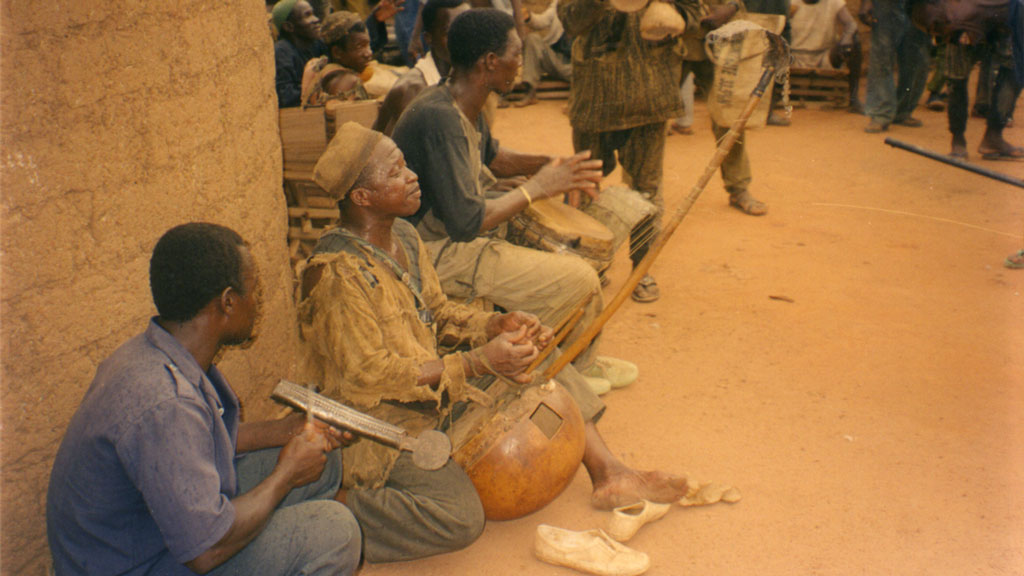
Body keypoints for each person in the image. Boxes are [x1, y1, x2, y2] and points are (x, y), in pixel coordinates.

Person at [298, 121, 692, 562]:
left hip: (430, 393)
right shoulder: (336, 274)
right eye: (395, 172)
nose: (411, 176)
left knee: (535, 348)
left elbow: (439, 314)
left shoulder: (404, 236)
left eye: (406, 165)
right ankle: (334, 504)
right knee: (461, 519)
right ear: (361, 197)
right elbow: (366, 380)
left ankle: (609, 472)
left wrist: (495, 326)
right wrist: (476, 364)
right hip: (376, 426)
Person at [46, 223, 361, 576]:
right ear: (227, 302)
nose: (257, 302)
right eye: (253, 291)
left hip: (153, 531)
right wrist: (286, 474)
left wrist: (285, 431)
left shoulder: (158, 351)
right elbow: (206, 550)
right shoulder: (165, 402)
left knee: (323, 464)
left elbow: (198, 439)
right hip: (141, 563)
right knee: (335, 531)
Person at [392, 9, 635, 394]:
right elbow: (467, 222)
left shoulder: (462, 101)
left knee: (574, 259)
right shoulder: (441, 117)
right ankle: (553, 366)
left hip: (452, 237)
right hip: (432, 251)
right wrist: (537, 187)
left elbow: (495, 157)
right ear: (490, 62)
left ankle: (578, 359)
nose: (521, 64)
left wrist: (551, 165)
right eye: (517, 55)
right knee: (582, 278)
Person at [560, 0, 731, 303]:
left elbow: (693, 16)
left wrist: (671, 16)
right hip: (595, 95)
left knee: (647, 190)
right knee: (585, 184)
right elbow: (570, 20)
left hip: (650, 95)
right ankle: (588, 264)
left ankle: (641, 269)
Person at [676, 0, 771, 219]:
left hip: (718, 42)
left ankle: (738, 188)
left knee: (729, 117)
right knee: (651, 118)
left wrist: (732, 6)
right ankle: (643, 194)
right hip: (671, 41)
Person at [909, 0, 1023, 159]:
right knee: (957, 77)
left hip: (1000, 17)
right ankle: (959, 142)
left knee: (1015, 69)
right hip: (964, 18)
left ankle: (992, 137)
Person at [374, 0, 470, 135]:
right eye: (450, 33)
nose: (462, 39)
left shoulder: (467, 77)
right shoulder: (413, 91)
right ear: (428, 38)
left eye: (467, 30)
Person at [859, 0, 930, 132]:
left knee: (916, 60)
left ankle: (903, 110)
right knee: (881, 57)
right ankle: (880, 114)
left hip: (917, 5)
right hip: (885, 5)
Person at [789, 0, 865, 113]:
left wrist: (846, 39)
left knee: (854, 43)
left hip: (825, 56)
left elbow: (851, 24)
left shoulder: (833, 2)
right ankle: (773, 96)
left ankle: (853, 99)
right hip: (794, 56)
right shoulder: (790, 2)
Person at [302, 11, 374, 106]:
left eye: (368, 45)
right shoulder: (348, 81)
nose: (368, 53)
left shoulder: (328, 72)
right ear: (337, 52)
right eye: (360, 47)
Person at [516, 0, 573, 107]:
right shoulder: (558, 4)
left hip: (576, 67)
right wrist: (529, 17)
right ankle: (530, 93)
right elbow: (542, 21)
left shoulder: (590, 9)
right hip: (557, 60)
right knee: (532, 39)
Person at [274, 0, 329, 108]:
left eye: (313, 14)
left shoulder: (317, 44)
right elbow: (286, 96)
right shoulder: (282, 52)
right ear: (289, 27)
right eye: (307, 15)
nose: (316, 19)